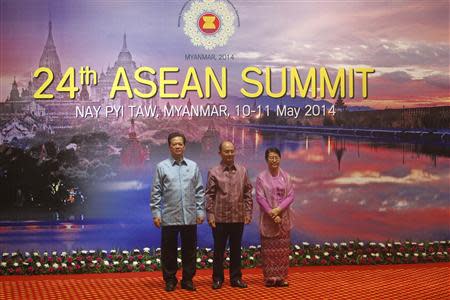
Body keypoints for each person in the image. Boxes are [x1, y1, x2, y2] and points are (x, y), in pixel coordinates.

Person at [150, 132, 205, 292]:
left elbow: (199, 190)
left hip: (190, 215)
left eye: (180, 143)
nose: (177, 146)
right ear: (169, 147)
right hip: (169, 215)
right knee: (169, 251)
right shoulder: (162, 167)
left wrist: (200, 211)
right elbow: (156, 192)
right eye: (174, 144)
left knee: (190, 249)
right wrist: (156, 213)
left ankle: (188, 279)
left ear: (184, 146)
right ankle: (170, 279)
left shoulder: (193, 166)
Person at [206, 141, 253, 289]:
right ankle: (218, 278)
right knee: (219, 250)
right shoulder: (214, 171)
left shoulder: (243, 171)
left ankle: (236, 278)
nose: (230, 154)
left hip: (238, 217)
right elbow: (209, 196)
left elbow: (247, 193)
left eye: (232, 151)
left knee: (236, 249)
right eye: (226, 151)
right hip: (219, 218)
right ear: (220, 153)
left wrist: (248, 212)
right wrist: (210, 215)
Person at [255, 147, 294, 287]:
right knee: (269, 250)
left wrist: (278, 210)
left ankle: (282, 278)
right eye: (271, 157)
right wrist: (271, 213)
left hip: (283, 217)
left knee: (282, 251)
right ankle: (270, 278)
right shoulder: (261, 177)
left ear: (280, 158)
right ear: (266, 160)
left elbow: (290, 196)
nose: (274, 160)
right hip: (268, 218)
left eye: (276, 157)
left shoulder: (287, 177)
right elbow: (260, 197)